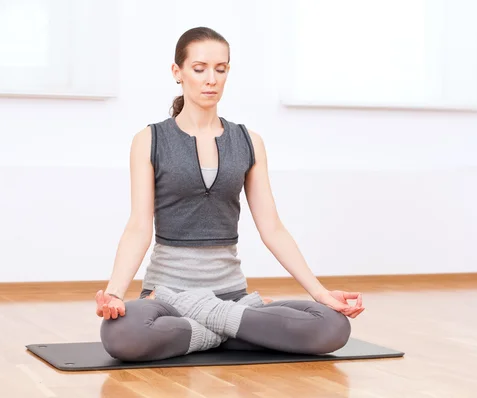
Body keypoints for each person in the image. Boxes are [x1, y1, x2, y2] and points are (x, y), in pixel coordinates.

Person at [94, 26, 365, 362]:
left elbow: (272, 227)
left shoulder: (248, 141)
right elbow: (138, 226)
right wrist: (115, 293)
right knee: (121, 335)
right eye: (199, 69)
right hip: (164, 296)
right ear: (177, 72)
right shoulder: (149, 140)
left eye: (220, 70)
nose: (211, 79)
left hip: (232, 296)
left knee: (332, 326)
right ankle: (237, 328)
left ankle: (209, 325)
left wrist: (320, 292)